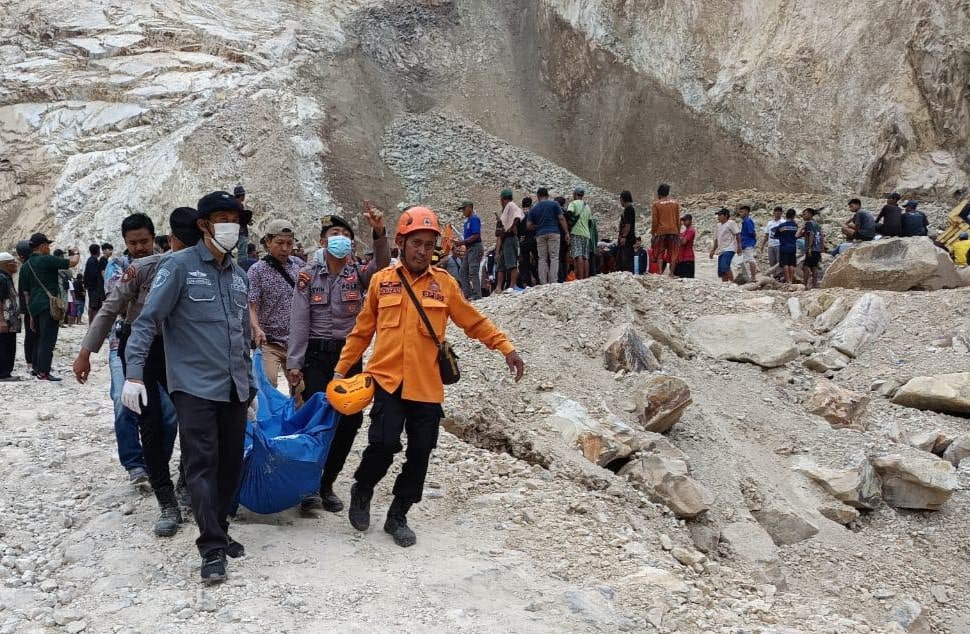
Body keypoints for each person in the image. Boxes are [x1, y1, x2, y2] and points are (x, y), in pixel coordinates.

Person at [333, 206, 524, 547]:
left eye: (428, 243)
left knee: (420, 452)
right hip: (387, 381)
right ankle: (362, 488)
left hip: (426, 385)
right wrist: (340, 370)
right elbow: (361, 333)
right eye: (416, 242)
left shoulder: (445, 285)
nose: (422, 250)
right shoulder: (382, 282)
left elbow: (474, 322)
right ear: (401, 243)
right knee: (383, 444)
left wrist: (506, 348)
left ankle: (398, 514)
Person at [125, 191, 254, 584]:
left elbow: (242, 336)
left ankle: (220, 526)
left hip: (234, 388)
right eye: (222, 217)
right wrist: (132, 374)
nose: (231, 225)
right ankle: (212, 547)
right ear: (203, 225)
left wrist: (252, 391)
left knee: (231, 464)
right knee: (201, 464)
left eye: (235, 218)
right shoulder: (178, 267)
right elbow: (148, 321)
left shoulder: (239, 276)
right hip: (194, 387)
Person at [75, 210, 196, 535]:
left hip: (178, 349)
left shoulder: (186, 266)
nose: (140, 247)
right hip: (140, 350)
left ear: (156, 238)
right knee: (151, 422)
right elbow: (109, 310)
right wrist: (85, 353)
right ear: (126, 244)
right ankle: (166, 501)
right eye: (133, 243)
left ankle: (186, 482)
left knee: (191, 418)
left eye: (144, 241)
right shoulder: (137, 271)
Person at [287, 208, 390, 512]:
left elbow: (383, 268)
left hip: (349, 358)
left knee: (350, 420)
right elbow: (299, 321)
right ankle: (307, 487)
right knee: (317, 419)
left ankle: (327, 483)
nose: (340, 240)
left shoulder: (357, 273)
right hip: (316, 357)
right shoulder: (308, 276)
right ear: (322, 241)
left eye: (345, 236)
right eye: (334, 235)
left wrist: (380, 233)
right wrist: (294, 363)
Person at [247, 220, 303, 388]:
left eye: (289, 243)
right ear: (268, 242)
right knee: (267, 383)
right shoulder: (257, 271)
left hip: (295, 342)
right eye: (279, 243)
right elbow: (252, 305)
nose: (285, 248)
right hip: (269, 342)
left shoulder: (299, 266)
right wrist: (256, 328)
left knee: (302, 389)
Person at [19, 234, 80, 381]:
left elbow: (26, 293)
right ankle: (44, 371)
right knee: (48, 338)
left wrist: (31, 314)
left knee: (38, 337)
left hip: (34, 306)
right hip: (48, 305)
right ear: (41, 246)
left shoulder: (25, 266)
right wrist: (76, 252)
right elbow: (73, 263)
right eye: (47, 244)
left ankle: (35, 367)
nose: (49, 247)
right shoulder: (47, 259)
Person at [526, 188, 570, 284]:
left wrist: (537, 226)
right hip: (554, 232)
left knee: (542, 258)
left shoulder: (534, 209)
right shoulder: (554, 204)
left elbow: (528, 226)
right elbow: (561, 218)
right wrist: (566, 232)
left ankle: (543, 282)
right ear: (547, 195)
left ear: (538, 196)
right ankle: (553, 281)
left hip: (540, 234)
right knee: (554, 257)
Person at [454, 201, 483, 300]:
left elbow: (476, 235)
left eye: (464, 209)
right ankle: (468, 294)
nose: (463, 211)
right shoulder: (467, 222)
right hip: (469, 248)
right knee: (462, 272)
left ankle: (477, 294)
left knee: (473, 271)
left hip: (475, 247)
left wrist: (462, 242)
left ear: (470, 208)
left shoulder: (474, 219)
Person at [496, 190, 523, 290]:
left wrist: (511, 227)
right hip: (505, 239)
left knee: (511, 263)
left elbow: (517, 217)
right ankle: (499, 288)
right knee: (501, 265)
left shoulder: (511, 205)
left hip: (510, 238)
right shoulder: (507, 208)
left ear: (503, 199)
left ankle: (512, 285)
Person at [651, 184, 681, 277]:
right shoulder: (675, 203)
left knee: (660, 252)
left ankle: (660, 272)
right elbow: (677, 219)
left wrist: (653, 233)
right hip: (673, 231)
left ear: (659, 193)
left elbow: (655, 220)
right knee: (673, 252)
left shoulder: (656, 204)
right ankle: (671, 273)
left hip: (661, 231)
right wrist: (678, 231)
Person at [0, 252, 21, 381]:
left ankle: (6, 372)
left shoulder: (6, 278)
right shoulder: (1, 278)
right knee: (4, 346)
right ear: (6, 264)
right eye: (13, 262)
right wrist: (1, 320)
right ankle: (3, 374)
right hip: (5, 319)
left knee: (9, 345)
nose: (16, 265)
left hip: (11, 319)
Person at [567, 187, 592, 280]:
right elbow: (590, 222)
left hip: (576, 232)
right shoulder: (587, 206)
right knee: (585, 256)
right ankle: (586, 277)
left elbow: (569, 213)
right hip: (586, 234)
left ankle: (580, 278)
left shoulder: (573, 204)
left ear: (575, 194)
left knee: (578, 255)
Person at [709, 208, 740, 283]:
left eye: (720, 215)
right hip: (721, 249)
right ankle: (725, 284)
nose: (718, 217)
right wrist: (713, 250)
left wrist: (739, 247)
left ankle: (733, 282)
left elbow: (737, 235)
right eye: (718, 215)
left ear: (726, 215)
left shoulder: (731, 223)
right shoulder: (718, 225)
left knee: (725, 267)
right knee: (721, 270)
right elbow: (716, 239)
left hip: (729, 248)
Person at [772, 209, 800, 285]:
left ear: (786, 215)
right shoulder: (795, 226)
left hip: (784, 247)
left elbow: (775, 236)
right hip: (793, 247)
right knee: (792, 264)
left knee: (785, 264)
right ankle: (791, 279)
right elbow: (797, 236)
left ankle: (788, 281)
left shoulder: (782, 226)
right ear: (793, 216)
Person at [799, 208, 822, 289]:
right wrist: (821, 247)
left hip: (811, 249)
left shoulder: (809, 223)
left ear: (810, 214)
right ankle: (814, 285)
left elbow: (811, 234)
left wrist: (809, 248)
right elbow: (821, 236)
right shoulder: (817, 224)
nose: (803, 216)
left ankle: (804, 285)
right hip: (817, 249)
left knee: (805, 267)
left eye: (805, 214)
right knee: (814, 267)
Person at [517, 197, 538, 286]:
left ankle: (527, 282)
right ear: (530, 204)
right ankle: (539, 278)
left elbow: (516, 228)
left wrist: (519, 238)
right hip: (533, 240)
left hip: (523, 241)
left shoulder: (519, 215)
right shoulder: (533, 213)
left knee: (525, 262)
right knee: (537, 259)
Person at [83, 244, 104, 324]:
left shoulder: (90, 260)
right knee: (94, 305)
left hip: (92, 287)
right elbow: (94, 274)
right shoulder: (93, 260)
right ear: (97, 251)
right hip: (94, 287)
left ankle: (93, 323)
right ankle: (92, 323)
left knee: (94, 305)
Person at [760, 206, 784, 272]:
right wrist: (763, 244)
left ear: (781, 213)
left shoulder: (783, 222)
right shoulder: (770, 223)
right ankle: (774, 277)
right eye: (776, 211)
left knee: (779, 262)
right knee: (772, 262)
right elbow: (767, 234)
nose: (778, 213)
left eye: (779, 211)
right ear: (773, 213)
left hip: (779, 244)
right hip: (771, 245)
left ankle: (780, 277)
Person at [234, 185, 253, 266]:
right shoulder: (238, 204)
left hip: (234, 231)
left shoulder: (232, 203)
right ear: (242, 195)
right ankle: (242, 268)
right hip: (241, 232)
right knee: (242, 252)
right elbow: (240, 217)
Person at [617, 191, 636, 272]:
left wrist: (624, 237)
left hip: (627, 239)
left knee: (626, 260)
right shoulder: (629, 209)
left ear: (622, 199)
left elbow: (628, 225)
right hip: (628, 238)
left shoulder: (628, 209)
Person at [737, 205, 758, 280]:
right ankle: (747, 276)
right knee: (744, 260)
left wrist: (753, 241)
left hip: (748, 243)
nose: (740, 213)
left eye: (742, 212)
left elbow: (752, 232)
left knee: (750, 259)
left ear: (746, 212)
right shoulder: (744, 222)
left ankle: (753, 278)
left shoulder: (748, 221)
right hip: (744, 243)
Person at [675, 214, 696, 278]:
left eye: (685, 220)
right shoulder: (684, 232)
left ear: (690, 221)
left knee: (687, 278)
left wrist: (680, 239)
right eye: (683, 221)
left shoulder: (691, 231)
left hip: (688, 258)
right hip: (681, 258)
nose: (683, 222)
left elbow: (683, 242)